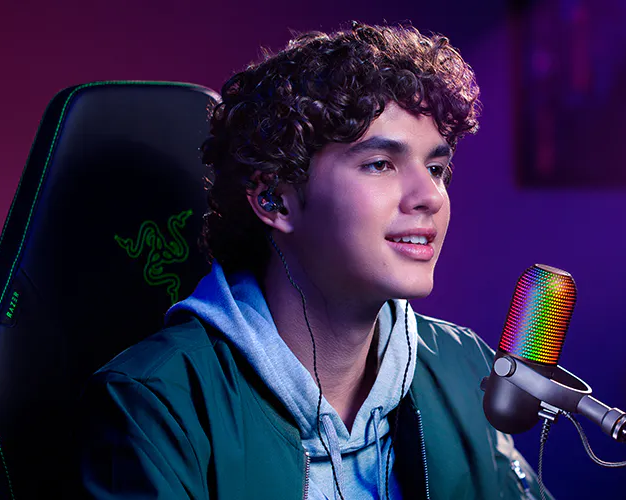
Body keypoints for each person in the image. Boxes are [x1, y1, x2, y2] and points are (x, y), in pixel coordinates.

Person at [77, 21, 545, 499]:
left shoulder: (464, 365)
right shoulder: (155, 403)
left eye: (436, 168)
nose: (430, 195)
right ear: (274, 199)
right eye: (380, 163)